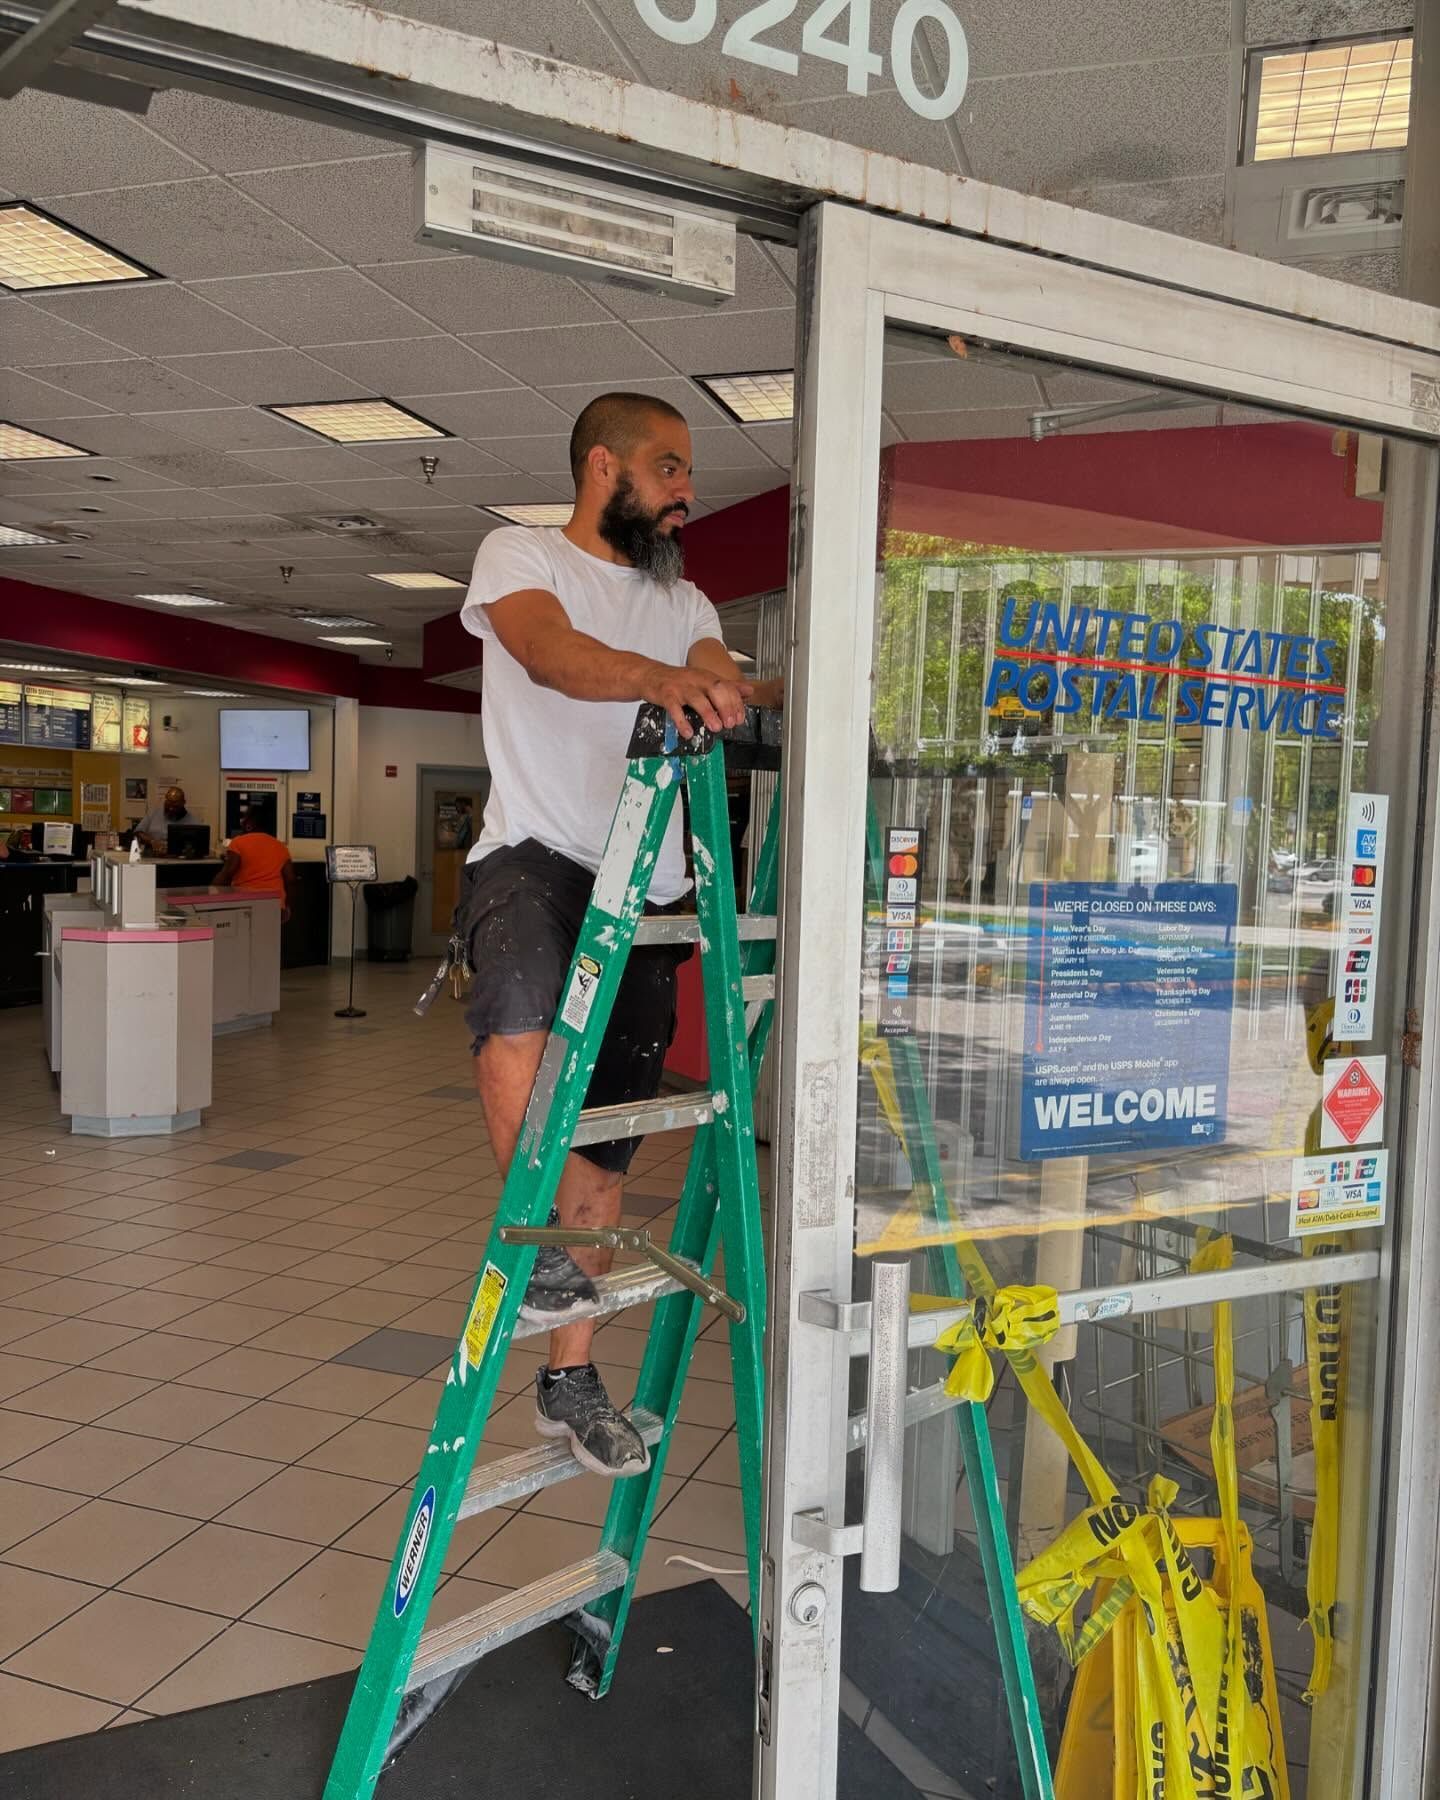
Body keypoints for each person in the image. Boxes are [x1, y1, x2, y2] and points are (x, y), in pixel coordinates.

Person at [457, 390, 779, 1478]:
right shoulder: (519, 557)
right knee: (514, 1022)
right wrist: (664, 684)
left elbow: (717, 669)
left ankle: (569, 1373)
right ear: (605, 467)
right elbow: (548, 656)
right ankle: (541, 1249)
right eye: (671, 467)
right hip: (539, 851)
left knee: (605, 1143)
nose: (688, 490)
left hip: (651, 875)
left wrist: (758, 687)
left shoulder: (682, 596)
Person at [215, 812, 297, 921]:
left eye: (244, 819)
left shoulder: (238, 842)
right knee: (271, 937)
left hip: (245, 905)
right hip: (275, 905)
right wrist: (287, 906)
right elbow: (290, 879)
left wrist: (210, 894)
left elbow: (228, 872)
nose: (242, 822)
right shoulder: (280, 846)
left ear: (249, 824)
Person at [135, 786, 199, 854]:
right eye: (168, 805)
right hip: (152, 858)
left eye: (175, 806)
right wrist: (152, 841)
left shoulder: (193, 821)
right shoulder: (153, 814)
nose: (171, 809)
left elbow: (199, 844)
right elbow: (138, 832)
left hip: (179, 860)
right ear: (165, 801)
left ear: (183, 803)